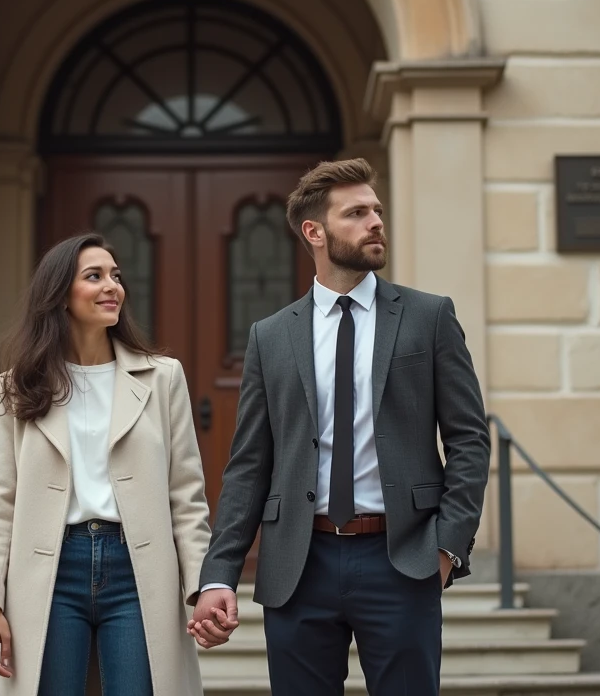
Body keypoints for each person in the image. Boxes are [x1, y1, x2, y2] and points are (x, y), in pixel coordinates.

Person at [190, 158, 492, 695]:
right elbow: (249, 464)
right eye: (356, 213)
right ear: (315, 232)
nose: (375, 221)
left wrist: (447, 547)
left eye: (377, 210)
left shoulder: (429, 317)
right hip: (298, 564)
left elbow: (469, 438)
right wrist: (220, 572)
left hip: (402, 557)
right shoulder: (271, 335)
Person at [0, 233, 211, 696]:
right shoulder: (18, 385)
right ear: (60, 295)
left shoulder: (163, 378)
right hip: (50, 570)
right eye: (94, 276)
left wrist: (200, 587)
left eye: (116, 277)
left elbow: (187, 495)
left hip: (138, 568)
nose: (112, 287)